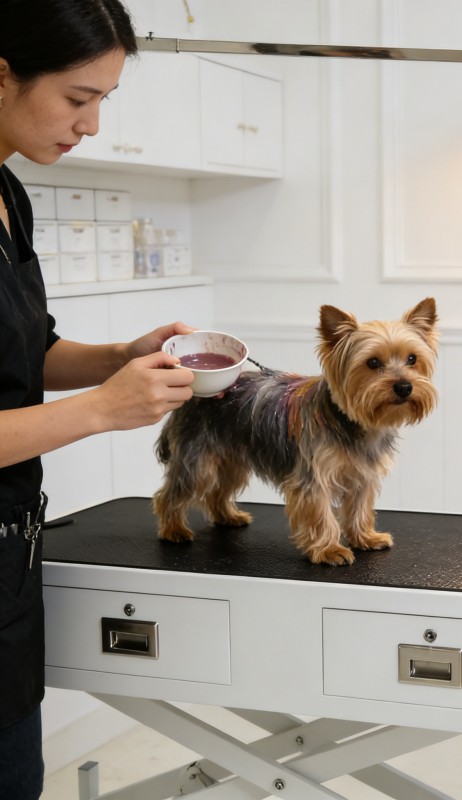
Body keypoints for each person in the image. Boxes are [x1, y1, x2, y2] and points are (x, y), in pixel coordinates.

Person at [0, 3, 198, 796]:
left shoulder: (11, 195)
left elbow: (28, 352)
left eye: (103, 104)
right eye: (79, 98)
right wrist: (103, 409)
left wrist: (123, 356)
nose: (90, 125)